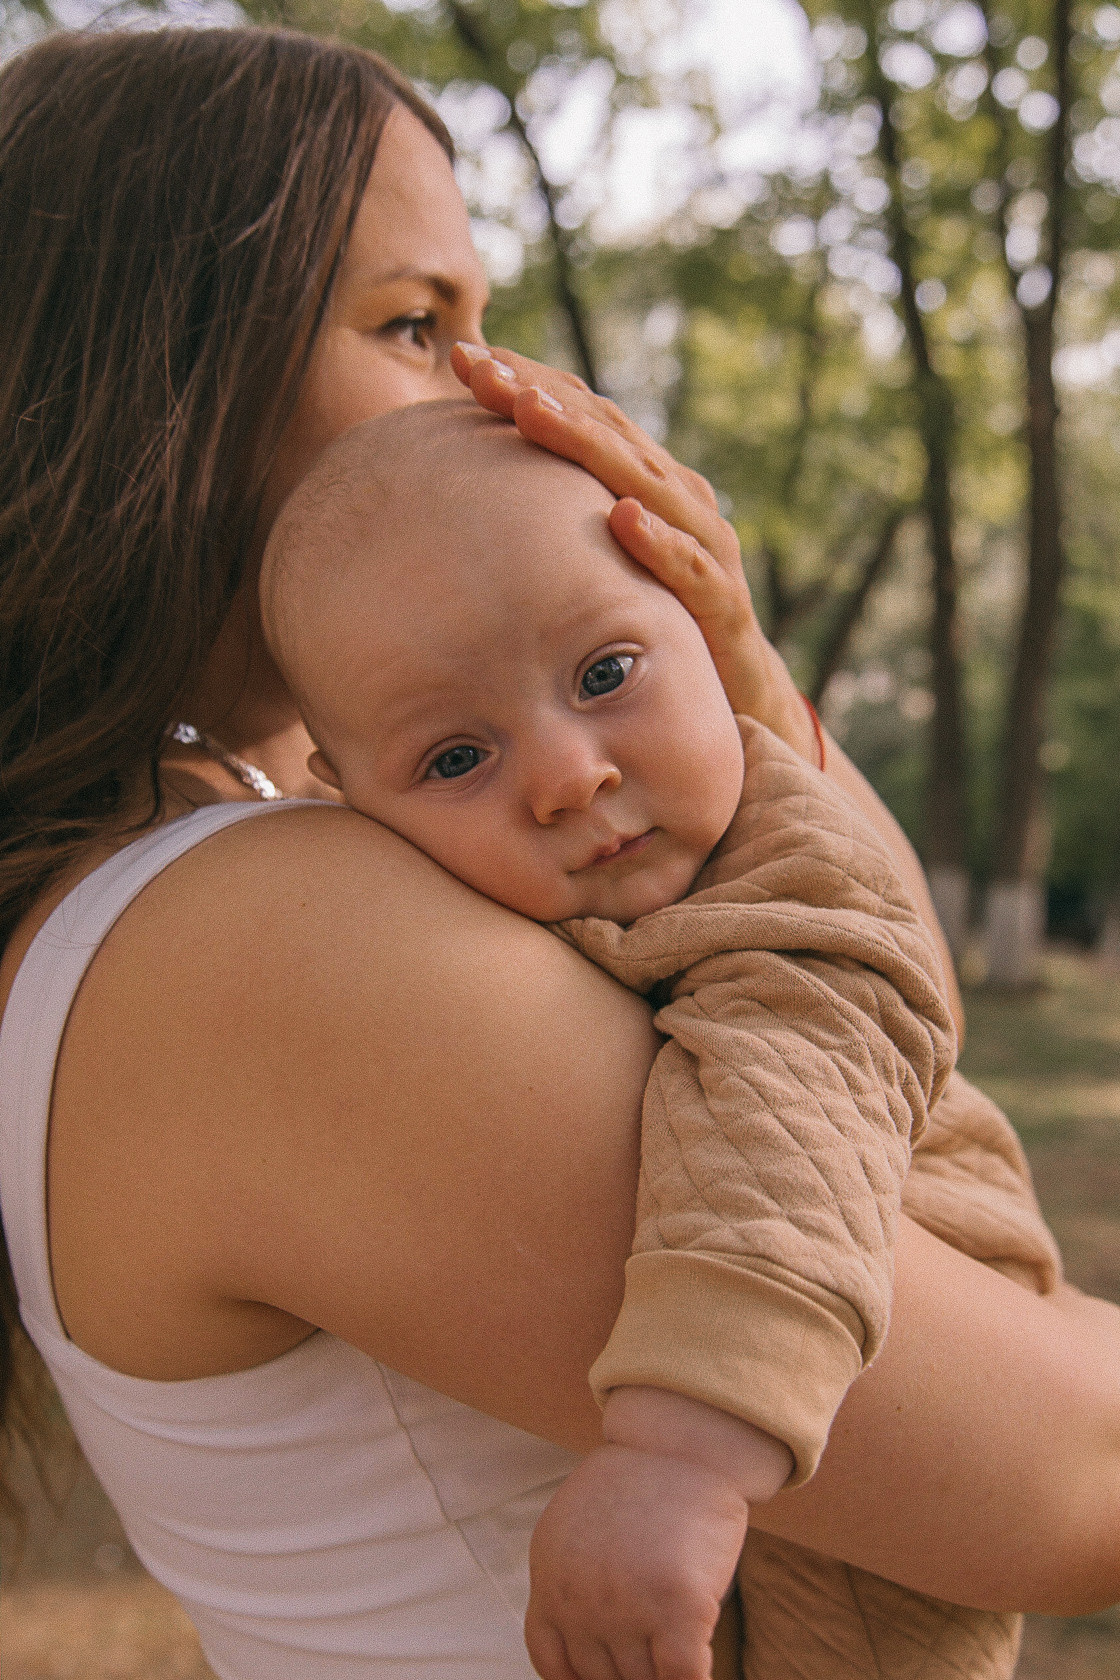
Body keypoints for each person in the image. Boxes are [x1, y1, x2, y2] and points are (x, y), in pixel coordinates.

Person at [0, 24, 1118, 1680]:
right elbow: (1064, 1478)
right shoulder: (258, 934)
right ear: (164, 376)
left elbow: (875, 1006)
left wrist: (727, 668)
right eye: (416, 325)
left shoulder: (230, 852)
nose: (499, 392)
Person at [256, 400, 1054, 1680]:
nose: (567, 774)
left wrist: (682, 1454)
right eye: (455, 758)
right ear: (346, 803)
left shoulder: (789, 878)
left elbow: (790, 1127)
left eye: (605, 674)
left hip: (873, 1340)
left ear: (704, 630)